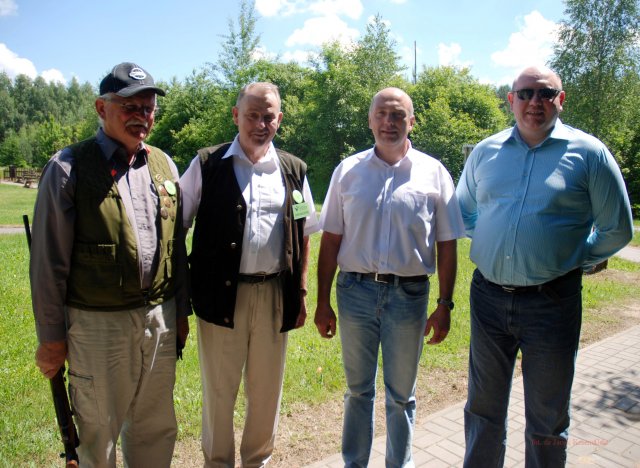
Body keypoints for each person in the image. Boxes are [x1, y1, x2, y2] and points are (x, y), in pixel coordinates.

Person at [456, 65, 633, 467]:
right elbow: (462, 211)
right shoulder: (486, 152)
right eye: (526, 93)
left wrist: (575, 258)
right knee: (482, 408)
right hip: (487, 297)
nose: (535, 101)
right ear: (511, 99)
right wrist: (490, 238)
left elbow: (616, 229)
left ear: (561, 99)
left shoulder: (588, 153)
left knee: (548, 417)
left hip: (552, 302)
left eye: (545, 93)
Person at [29, 62, 190, 467]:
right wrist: (51, 339)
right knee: (97, 433)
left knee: (155, 427)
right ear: (102, 109)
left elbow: (177, 247)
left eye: (148, 108)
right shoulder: (68, 168)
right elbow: (48, 265)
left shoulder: (164, 166)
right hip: (97, 325)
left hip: (160, 319)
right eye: (130, 106)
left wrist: (180, 313)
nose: (142, 116)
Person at [314, 87, 466, 467]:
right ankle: (355, 463)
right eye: (381, 114)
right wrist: (321, 301)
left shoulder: (434, 173)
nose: (389, 122)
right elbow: (330, 239)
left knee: (402, 396)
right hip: (355, 293)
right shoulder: (347, 172)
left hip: (409, 296)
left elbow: (448, 245)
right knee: (357, 390)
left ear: (411, 121)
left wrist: (445, 304)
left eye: (398, 115)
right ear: (370, 120)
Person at [180, 81, 320, 467]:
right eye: (253, 115)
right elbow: (177, 227)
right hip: (222, 298)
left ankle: (257, 461)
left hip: (275, 295)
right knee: (219, 392)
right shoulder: (207, 164)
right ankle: (217, 463)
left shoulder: (293, 170)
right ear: (236, 116)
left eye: (268, 116)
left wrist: (302, 291)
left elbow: (303, 233)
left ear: (279, 118)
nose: (260, 123)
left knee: (266, 392)